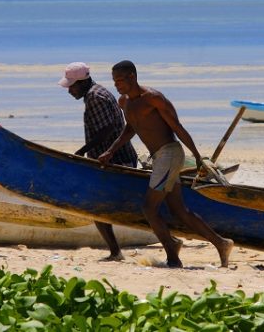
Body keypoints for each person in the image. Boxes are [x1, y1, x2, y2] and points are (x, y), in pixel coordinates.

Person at [98, 60, 233, 268]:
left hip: (170, 153)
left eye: (120, 80)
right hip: (159, 158)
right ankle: (221, 243)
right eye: (114, 81)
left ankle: (172, 255)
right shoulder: (124, 102)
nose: (116, 85)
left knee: (149, 208)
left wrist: (198, 157)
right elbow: (130, 129)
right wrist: (111, 150)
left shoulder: (153, 98)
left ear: (132, 76)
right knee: (179, 210)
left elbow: (177, 127)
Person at [58, 61, 138, 261]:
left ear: (82, 82)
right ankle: (115, 251)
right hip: (110, 160)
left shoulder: (95, 97)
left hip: (115, 160)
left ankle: (115, 252)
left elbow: (107, 130)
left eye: (71, 86)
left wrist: (82, 151)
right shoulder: (96, 93)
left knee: (97, 206)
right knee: (103, 207)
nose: (69, 91)